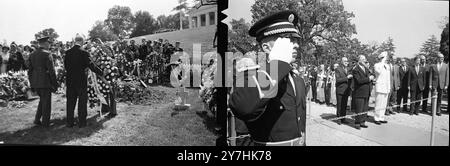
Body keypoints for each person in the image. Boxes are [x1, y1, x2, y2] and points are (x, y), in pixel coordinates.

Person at [229, 11, 307, 146]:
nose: (295, 45)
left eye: (295, 39)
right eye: (287, 39)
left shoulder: (296, 78)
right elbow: (244, 107)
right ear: (266, 47)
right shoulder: (251, 74)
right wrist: (278, 64)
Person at [64, 34, 104, 128]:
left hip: (70, 80)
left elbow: (66, 66)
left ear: (75, 41)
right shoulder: (84, 52)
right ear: (82, 41)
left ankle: (69, 122)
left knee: (70, 102)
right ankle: (82, 122)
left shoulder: (67, 52)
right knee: (82, 102)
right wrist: (101, 72)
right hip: (81, 80)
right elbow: (91, 65)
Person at [28, 36, 58, 127]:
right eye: (49, 43)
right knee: (46, 103)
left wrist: (32, 83)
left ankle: (37, 120)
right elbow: (52, 71)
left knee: (42, 101)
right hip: (45, 82)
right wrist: (55, 84)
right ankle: (45, 123)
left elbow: (30, 71)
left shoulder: (32, 54)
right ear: (45, 43)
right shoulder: (47, 54)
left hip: (36, 81)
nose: (49, 45)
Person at [352, 55, 374, 129]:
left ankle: (362, 122)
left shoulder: (366, 68)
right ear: (359, 60)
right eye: (363, 59)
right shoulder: (355, 69)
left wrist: (371, 77)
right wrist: (368, 79)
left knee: (365, 108)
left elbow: (372, 75)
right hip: (359, 92)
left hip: (366, 92)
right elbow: (358, 81)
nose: (365, 60)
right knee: (359, 109)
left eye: (365, 59)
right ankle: (357, 123)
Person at [373, 52, 391, 124]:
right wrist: (382, 62)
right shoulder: (377, 65)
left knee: (384, 104)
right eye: (385, 58)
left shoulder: (387, 66)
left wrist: (389, 87)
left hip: (385, 88)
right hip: (380, 87)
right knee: (378, 103)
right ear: (382, 58)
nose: (386, 59)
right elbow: (378, 72)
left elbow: (388, 78)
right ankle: (376, 118)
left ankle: (381, 117)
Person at [335, 57, 352, 124]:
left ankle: (343, 118)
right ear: (341, 62)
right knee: (339, 105)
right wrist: (347, 78)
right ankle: (339, 119)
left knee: (344, 105)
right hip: (340, 90)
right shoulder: (337, 69)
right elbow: (338, 80)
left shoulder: (349, 69)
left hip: (346, 90)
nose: (346, 62)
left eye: (347, 61)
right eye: (345, 61)